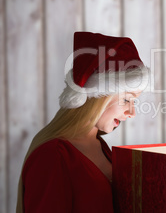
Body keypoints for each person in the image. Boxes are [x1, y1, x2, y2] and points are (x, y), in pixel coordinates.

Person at [16, 31, 150, 212]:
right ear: (97, 97)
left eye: (134, 102)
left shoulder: (100, 146)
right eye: (126, 100)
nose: (132, 112)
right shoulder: (52, 155)